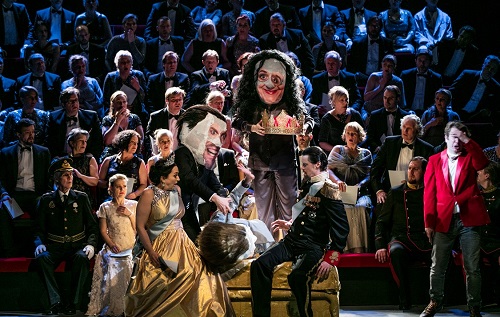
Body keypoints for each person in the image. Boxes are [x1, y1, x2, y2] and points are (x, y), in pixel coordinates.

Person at [124, 157, 249, 316]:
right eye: (175, 175)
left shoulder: (177, 190)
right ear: (163, 178)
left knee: (204, 274)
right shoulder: (149, 194)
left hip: (182, 242)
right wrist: (151, 251)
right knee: (168, 281)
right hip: (159, 245)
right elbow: (140, 227)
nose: (178, 178)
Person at [250, 145, 349, 317]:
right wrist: (290, 224)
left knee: (297, 276)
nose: (302, 169)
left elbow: (341, 227)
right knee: (259, 265)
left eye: (305, 165)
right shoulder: (308, 182)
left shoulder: (330, 189)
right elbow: (308, 215)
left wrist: (331, 257)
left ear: (317, 164)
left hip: (312, 246)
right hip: (291, 242)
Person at [232, 50, 314, 239]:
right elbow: (236, 120)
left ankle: (292, 247)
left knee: (289, 208)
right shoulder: (250, 102)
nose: (270, 84)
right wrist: (251, 127)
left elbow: (308, 119)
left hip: (284, 162)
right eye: (263, 76)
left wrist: (304, 128)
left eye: (277, 79)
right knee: (264, 212)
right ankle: (267, 251)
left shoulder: (290, 102)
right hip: (260, 163)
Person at [421, 121, 490, 317]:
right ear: (445, 138)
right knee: (438, 266)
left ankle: (474, 306)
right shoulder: (434, 160)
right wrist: (428, 222)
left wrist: (467, 138)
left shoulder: (470, 158)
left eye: (461, 138)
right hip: (444, 219)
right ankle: (435, 301)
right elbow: (429, 194)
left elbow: (483, 163)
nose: (457, 141)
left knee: (472, 266)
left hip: (468, 218)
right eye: (454, 137)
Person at [34, 157, 98, 315]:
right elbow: (38, 229)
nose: (70, 178)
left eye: (71, 174)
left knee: (82, 258)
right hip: (54, 245)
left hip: (76, 244)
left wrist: (90, 244)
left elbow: (92, 226)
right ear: (56, 178)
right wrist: (39, 243)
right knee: (42, 259)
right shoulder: (46, 200)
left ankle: (72, 303)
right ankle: (55, 301)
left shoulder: (81, 198)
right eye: (65, 175)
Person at [375, 156, 432, 310]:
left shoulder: (429, 192)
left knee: (441, 254)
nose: (411, 172)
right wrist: (380, 245)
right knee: (395, 252)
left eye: (416, 169)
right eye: (410, 168)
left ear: (424, 172)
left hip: (424, 238)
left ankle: (435, 298)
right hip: (401, 239)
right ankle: (404, 297)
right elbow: (382, 222)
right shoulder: (396, 192)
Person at [175, 105, 233, 241]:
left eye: (222, 136)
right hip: (172, 215)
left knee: (197, 241)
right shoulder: (181, 153)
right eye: (212, 132)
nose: (218, 142)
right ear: (188, 128)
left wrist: (222, 195)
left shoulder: (201, 161)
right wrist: (214, 198)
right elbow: (189, 179)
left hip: (187, 210)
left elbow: (214, 182)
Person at [86, 173, 137, 317]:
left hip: (130, 247)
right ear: (111, 188)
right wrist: (111, 244)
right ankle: (114, 307)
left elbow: (138, 229)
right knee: (113, 263)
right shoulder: (105, 207)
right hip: (113, 247)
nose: (121, 190)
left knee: (127, 264)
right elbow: (103, 230)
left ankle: (126, 307)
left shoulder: (133, 205)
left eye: (124, 187)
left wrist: (129, 214)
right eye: (118, 187)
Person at [0, 118, 50, 257]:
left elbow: (49, 178)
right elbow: (1, 179)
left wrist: (47, 193)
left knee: (45, 205)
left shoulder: (43, 152)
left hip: (36, 196)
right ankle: (8, 250)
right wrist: (4, 193)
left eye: (33, 132)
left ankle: (41, 247)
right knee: (3, 209)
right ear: (18, 135)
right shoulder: (6, 153)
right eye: (27, 132)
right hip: (15, 196)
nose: (31, 135)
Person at [370, 114, 434, 207]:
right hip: (389, 192)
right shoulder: (389, 143)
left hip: (415, 194)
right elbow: (375, 169)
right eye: (404, 127)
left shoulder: (427, 149)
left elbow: (429, 177)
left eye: (409, 128)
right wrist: (379, 191)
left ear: (416, 131)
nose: (405, 130)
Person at [328, 122, 372, 253]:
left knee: (361, 208)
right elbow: (328, 170)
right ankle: (345, 249)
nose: (350, 136)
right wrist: (338, 181)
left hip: (361, 192)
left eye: (354, 134)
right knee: (344, 209)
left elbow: (370, 175)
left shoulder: (366, 153)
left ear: (359, 136)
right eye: (348, 133)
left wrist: (361, 185)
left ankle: (362, 249)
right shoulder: (338, 149)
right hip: (342, 192)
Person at [46, 87, 102, 159]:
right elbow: (50, 142)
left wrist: (91, 156)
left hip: (85, 158)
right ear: (63, 104)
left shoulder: (91, 117)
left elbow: (98, 141)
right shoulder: (54, 117)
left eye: (76, 100)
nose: (74, 103)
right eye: (70, 101)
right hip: (62, 158)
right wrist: (56, 158)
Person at [258, 13, 314, 79]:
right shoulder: (264, 40)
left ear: (284, 25)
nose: (275, 27)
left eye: (278, 24)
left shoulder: (297, 35)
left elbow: (309, 60)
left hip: (299, 75)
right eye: (273, 25)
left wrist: (303, 78)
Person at [449, 55, 500, 123]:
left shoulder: (496, 87)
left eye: (493, 69)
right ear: (483, 65)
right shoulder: (467, 75)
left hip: (474, 119)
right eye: (488, 66)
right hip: (455, 111)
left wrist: (488, 111)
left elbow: (494, 107)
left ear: (496, 72)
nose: (489, 71)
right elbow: (451, 92)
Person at [99, 129, 147, 202]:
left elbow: (143, 184)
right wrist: (113, 184)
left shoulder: (139, 162)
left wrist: (135, 194)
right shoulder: (108, 160)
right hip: (110, 199)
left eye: (137, 143)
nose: (135, 145)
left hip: (130, 200)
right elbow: (99, 182)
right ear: (124, 142)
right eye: (132, 142)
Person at [102, 50, 148, 125]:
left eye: (128, 62)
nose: (126, 65)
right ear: (117, 64)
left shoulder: (138, 75)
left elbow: (144, 98)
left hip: (136, 112)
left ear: (131, 63)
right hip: (116, 113)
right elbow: (106, 100)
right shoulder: (110, 77)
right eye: (123, 62)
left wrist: (138, 88)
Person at [346, 15, 394, 86]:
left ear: (380, 28)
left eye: (377, 26)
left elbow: (391, 64)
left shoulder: (388, 43)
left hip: (381, 77)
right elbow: (352, 65)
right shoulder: (358, 43)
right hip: (362, 77)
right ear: (367, 27)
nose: (374, 28)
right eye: (372, 25)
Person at [311, 50, 362, 116]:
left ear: (340, 64)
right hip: (324, 115)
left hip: (346, 115)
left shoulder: (349, 78)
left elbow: (358, 99)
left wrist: (350, 110)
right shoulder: (317, 79)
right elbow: (313, 100)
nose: (330, 66)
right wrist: (317, 108)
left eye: (333, 63)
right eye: (328, 63)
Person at [478, 162, 500, 306]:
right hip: (479, 241)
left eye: (479, 173)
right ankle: (481, 298)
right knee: (473, 259)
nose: (477, 175)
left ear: (487, 175)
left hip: (497, 240)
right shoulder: (475, 195)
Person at [100, 90, 143, 163]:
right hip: (113, 152)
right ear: (113, 104)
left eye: (124, 102)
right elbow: (107, 141)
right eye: (118, 102)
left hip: (132, 151)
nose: (122, 105)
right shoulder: (107, 119)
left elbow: (141, 138)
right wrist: (117, 121)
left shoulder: (134, 118)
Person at [364, 85, 409, 154]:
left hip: (399, 152)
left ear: (398, 99)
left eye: (391, 98)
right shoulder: (375, 115)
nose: (386, 101)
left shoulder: (406, 117)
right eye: (385, 98)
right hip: (379, 152)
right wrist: (376, 148)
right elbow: (369, 136)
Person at [318, 86, 363, 153]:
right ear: (334, 102)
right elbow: (322, 142)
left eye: (346, 100)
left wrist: (355, 149)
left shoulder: (355, 114)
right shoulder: (327, 119)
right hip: (337, 155)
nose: (345, 103)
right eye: (342, 100)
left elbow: (363, 135)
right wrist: (340, 151)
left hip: (355, 151)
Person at [61, 128, 99, 209]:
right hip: (65, 196)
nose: (84, 144)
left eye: (85, 141)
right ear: (72, 143)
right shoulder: (63, 160)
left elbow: (95, 181)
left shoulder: (90, 159)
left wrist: (81, 176)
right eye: (81, 141)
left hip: (83, 197)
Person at [400, 46, 443, 115]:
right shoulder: (406, 75)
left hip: (428, 113)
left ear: (430, 62)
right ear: (415, 61)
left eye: (425, 60)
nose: (422, 64)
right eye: (420, 60)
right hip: (407, 111)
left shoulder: (436, 78)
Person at [363, 54, 405, 122]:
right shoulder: (374, 77)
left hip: (388, 112)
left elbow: (401, 103)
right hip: (370, 111)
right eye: (385, 65)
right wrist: (380, 87)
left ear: (394, 67)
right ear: (381, 65)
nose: (387, 68)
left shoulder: (398, 82)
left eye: (390, 66)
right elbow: (366, 98)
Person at [146, 86, 185, 153]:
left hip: (181, 156)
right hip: (161, 154)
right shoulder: (156, 117)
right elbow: (149, 135)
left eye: (180, 99)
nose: (177, 102)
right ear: (167, 101)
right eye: (174, 100)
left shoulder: (187, 116)